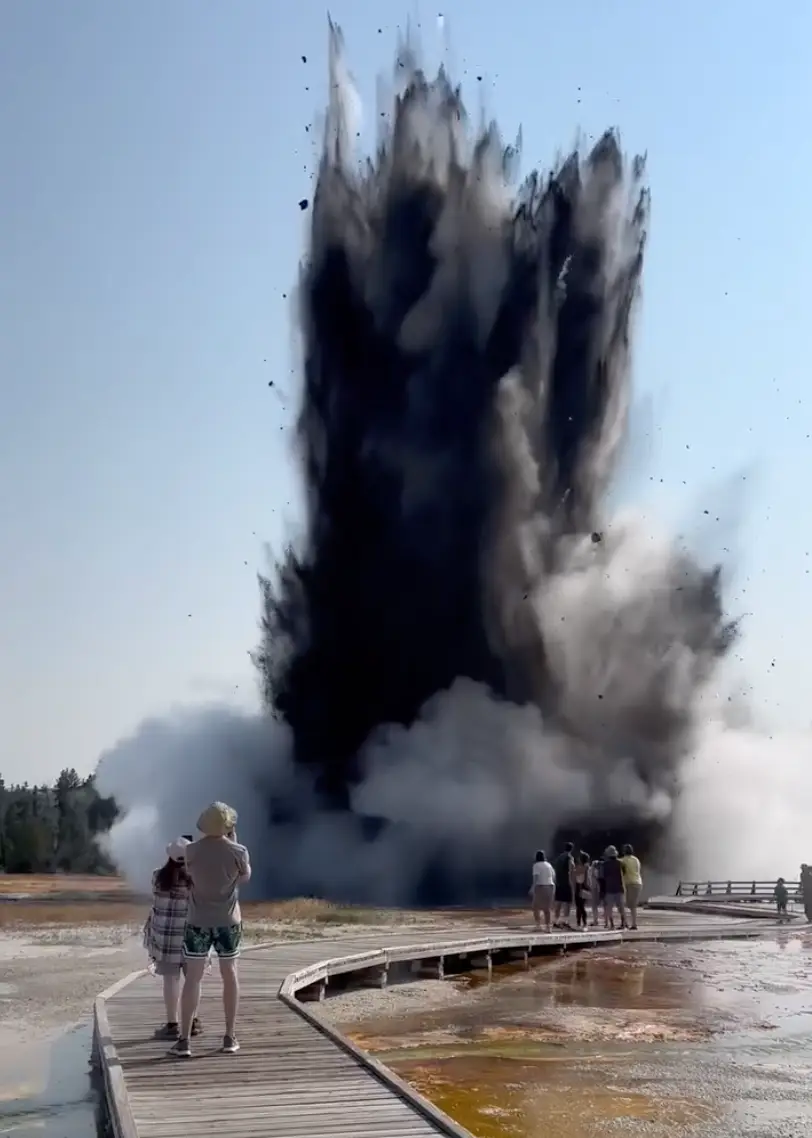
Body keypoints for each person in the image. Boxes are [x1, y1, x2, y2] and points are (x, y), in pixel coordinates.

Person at [169, 802, 251, 1059]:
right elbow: (245, 877)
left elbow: (184, 865)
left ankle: (184, 1041)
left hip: (198, 921)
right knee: (230, 976)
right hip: (228, 921)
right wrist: (233, 842)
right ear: (229, 826)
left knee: (193, 978)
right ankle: (229, 1036)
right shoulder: (239, 851)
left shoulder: (192, 851)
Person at [143, 838, 202, 1040]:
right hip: (192, 938)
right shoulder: (196, 879)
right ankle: (193, 1021)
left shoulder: (157, 877)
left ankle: (172, 1024)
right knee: (193, 981)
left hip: (165, 940)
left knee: (170, 981)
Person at [601, 845, 627, 930]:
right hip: (619, 888)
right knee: (621, 907)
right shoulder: (620, 863)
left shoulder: (605, 865)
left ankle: (612, 925)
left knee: (609, 908)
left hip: (609, 888)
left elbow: (603, 877)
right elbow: (624, 873)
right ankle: (623, 923)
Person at [530, 850, 556, 931]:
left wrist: (532, 888)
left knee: (535, 907)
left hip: (541, 886)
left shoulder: (536, 865)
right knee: (547, 908)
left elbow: (536, 878)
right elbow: (553, 876)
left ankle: (538, 925)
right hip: (550, 886)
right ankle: (548, 927)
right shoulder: (549, 865)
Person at [619, 843, 643, 930]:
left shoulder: (622, 861)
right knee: (632, 905)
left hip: (630, 883)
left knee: (626, 904)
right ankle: (632, 923)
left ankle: (629, 924)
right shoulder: (636, 859)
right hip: (638, 883)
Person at [553, 842, 576, 929]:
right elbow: (571, 871)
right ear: (572, 849)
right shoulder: (569, 857)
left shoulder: (559, 857)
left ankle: (555, 921)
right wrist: (572, 883)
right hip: (566, 882)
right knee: (567, 903)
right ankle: (565, 921)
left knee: (558, 903)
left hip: (559, 882)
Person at [573, 852, 590, 928]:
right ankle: (579, 922)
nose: (578, 858)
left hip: (581, 886)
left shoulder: (584, 867)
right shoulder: (584, 866)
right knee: (579, 906)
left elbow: (574, 873)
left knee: (580, 906)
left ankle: (583, 922)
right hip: (580, 886)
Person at [587, 855, 603, 926]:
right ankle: (606, 922)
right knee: (605, 905)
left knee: (594, 906)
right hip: (601, 887)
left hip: (595, 888)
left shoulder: (592, 870)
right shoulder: (601, 869)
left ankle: (596, 920)